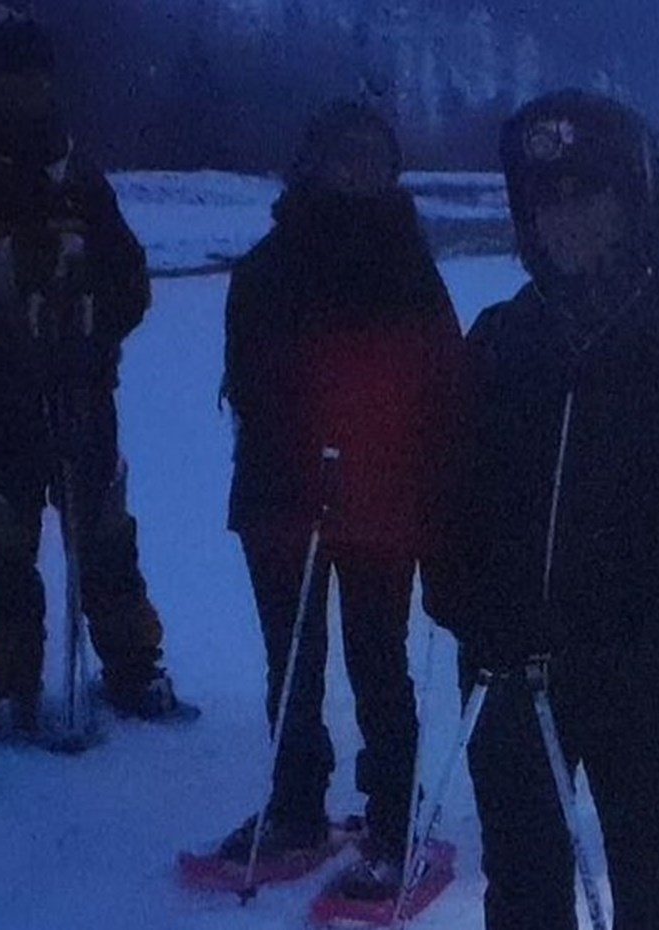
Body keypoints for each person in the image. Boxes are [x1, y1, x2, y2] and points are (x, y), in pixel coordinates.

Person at [425, 89, 659, 930]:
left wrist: (628, 612)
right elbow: (450, 493)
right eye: (547, 201)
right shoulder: (501, 338)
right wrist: (468, 602)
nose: (566, 220)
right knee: (524, 886)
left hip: (643, 675)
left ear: (632, 203)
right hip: (512, 671)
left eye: (590, 196)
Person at [211, 100, 464, 900]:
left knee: (379, 661)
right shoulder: (269, 265)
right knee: (291, 663)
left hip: (382, 497)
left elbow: (443, 381)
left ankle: (392, 817)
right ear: (313, 164)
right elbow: (251, 383)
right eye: (342, 156)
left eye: (373, 159)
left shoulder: (410, 268)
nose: (357, 172)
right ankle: (296, 806)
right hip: (285, 494)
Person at [0, 5, 182, 735]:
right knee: (3, 544)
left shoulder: (77, 178)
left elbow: (130, 280)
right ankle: (10, 681)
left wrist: (93, 310)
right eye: (14, 80)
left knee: (104, 530)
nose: (31, 92)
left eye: (39, 78)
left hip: (80, 385)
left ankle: (132, 664)